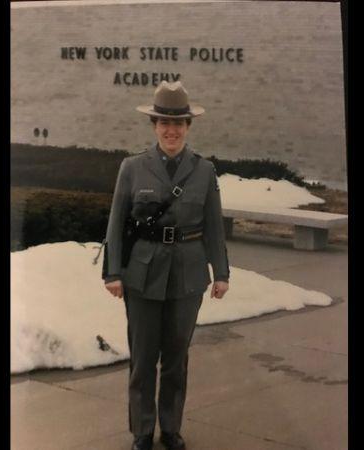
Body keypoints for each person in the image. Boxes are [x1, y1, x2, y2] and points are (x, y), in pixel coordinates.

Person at [103, 81, 230, 450]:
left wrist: (220, 273)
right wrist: (112, 271)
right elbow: (115, 222)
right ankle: (142, 432)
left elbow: (213, 227)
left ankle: (170, 428)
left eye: (179, 124)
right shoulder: (132, 167)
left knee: (177, 359)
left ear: (188, 127)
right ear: (154, 126)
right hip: (142, 274)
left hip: (188, 275)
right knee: (143, 359)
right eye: (163, 123)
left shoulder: (203, 171)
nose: (171, 130)